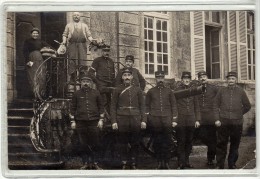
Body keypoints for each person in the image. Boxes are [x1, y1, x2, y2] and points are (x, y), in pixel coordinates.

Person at [110, 68, 146, 169]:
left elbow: (142, 106)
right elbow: (113, 106)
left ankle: (133, 162)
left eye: (128, 75)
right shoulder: (117, 89)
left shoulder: (137, 89)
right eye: (125, 75)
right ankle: (124, 162)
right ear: (122, 77)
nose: (126, 77)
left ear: (132, 77)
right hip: (122, 119)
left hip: (135, 118)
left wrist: (143, 120)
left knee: (135, 142)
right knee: (122, 142)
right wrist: (114, 121)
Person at [215, 71, 251, 169]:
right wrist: (217, 119)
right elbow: (215, 105)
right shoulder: (221, 91)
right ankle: (220, 164)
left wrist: (239, 113)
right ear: (227, 80)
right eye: (229, 79)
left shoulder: (241, 91)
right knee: (221, 143)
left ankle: (232, 164)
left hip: (237, 122)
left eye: (233, 79)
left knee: (235, 144)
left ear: (236, 80)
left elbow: (247, 106)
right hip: (223, 122)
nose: (230, 80)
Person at [70, 74, 105, 170]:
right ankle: (85, 163)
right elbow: (72, 108)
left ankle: (95, 163)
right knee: (83, 143)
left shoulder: (96, 93)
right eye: (84, 81)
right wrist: (73, 121)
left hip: (94, 121)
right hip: (81, 122)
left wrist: (101, 120)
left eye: (88, 82)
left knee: (96, 143)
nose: (85, 83)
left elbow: (101, 107)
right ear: (81, 83)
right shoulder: (76, 94)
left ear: (91, 83)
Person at [145, 71, 178, 169]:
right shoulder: (151, 92)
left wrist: (174, 119)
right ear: (155, 79)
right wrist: (149, 118)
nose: (160, 80)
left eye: (162, 78)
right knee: (157, 142)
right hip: (155, 120)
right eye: (158, 78)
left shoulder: (169, 91)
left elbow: (174, 106)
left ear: (164, 79)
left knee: (167, 142)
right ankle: (159, 162)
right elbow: (146, 106)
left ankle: (166, 162)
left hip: (167, 119)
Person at [174, 71, 201, 169]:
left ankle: (187, 161)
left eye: (188, 78)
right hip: (181, 120)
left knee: (189, 142)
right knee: (181, 141)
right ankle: (180, 163)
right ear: (182, 80)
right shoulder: (177, 91)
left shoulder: (193, 91)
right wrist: (175, 119)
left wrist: (197, 119)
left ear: (190, 80)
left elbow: (196, 107)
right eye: (185, 78)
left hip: (191, 120)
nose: (186, 80)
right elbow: (175, 107)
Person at [61, 12, 97, 82]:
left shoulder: (84, 25)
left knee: (82, 60)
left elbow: (89, 35)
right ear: (72, 17)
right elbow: (64, 35)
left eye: (77, 15)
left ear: (80, 17)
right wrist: (64, 42)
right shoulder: (68, 25)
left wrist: (92, 40)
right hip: (72, 45)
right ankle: (73, 77)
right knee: (72, 60)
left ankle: (82, 76)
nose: (76, 16)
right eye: (74, 15)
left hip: (82, 45)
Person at [23, 27, 53, 100]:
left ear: (38, 34)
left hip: (40, 60)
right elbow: (25, 51)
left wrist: (56, 50)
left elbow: (48, 46)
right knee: (33, 77)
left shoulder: (40, 41)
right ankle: (34, 95)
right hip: (31, 59)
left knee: (41, 76)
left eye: (36, 33)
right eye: (34, 33)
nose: (35, 34)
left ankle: (41, 95)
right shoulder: (27, 41)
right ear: (31, 34)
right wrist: (28, 61)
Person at [197, 70, 219, 166]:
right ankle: (212, 153)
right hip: (200, 117)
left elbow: (220, 99)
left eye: (204, 76)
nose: (203, 78)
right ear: (198, 79)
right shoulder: (196, 89)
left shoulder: (214, 89)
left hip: (211, 117)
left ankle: (210, 158)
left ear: (207, 77)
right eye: (201, 77)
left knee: (212, 139)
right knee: (202, 136)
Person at [88, 45, 115, 113]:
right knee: (103, 101)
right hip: (101, 85)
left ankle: (109, 119)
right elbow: (90, 73)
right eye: (105, 51)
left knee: (110, 102)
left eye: (108, 51)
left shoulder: (111, 61)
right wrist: (97, 82)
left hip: (110, 85)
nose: (106, 52)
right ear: (102, 51)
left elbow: (113, 74)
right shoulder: (97, 60)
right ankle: (102, 118)